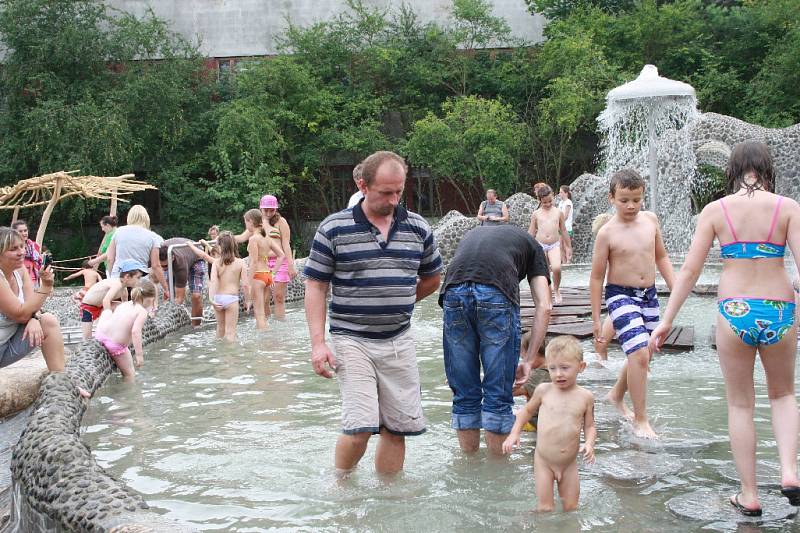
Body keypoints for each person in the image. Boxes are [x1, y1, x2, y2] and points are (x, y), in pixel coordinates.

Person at [649, 141, 800, 516]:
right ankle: (789, 471)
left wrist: (666, 320)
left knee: (740, 403)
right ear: (767, 168)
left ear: (732, 170)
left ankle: (749, 495)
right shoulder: (788, 208)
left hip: (735, 309)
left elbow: (690, 271)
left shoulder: (716, 211)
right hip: (780, 308)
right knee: (782, 395)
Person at [304, 150, 442, 475]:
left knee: (398, 428)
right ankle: (340, 485)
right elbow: (316, 286)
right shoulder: (334, 228)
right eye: (386, 192)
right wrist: (317, 343)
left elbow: (432, 278)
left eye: (399, 191)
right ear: (363, 186)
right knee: (360, 426)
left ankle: (387, 502)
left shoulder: (418, 228)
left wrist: (401, 302)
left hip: (399, 340)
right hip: (351, 339)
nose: (395, 199)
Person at [440, 224, 551, 455]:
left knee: (465, 393)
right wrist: (529, 360)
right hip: (495, 291)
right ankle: (497, 475)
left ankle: (469, 469)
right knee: (498, 393)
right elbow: (545, 305)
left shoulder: (472, 233)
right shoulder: (534, 246)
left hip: (453, 291)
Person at [589, 169, 674, 439]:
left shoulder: (650, 221)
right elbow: (596, 277)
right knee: (638, 353)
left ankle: (615, 395)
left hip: (648, 294)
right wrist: (595, 319)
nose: (631, 206)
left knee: (644, 353)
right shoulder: (607, 233)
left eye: (636, 200)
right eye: (624, 200)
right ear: (611, 198)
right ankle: (641, 419)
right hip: (620, 294)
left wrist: (677, 288)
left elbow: (661, 257)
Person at [502, 335, 596, 512]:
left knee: (571, 508)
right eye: (552, 368)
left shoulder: (585, 397)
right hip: (544, 462)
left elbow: (589, 426)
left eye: (565, 368)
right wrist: (514, 433)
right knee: (545, 508)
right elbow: (526, 412)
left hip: (569, 465)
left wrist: (590, 444)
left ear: (581, 367)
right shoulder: (543, 390)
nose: (558, 373)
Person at [0, 227, 89, 397]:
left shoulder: (21, 272)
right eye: (13, 249)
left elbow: (31, 306)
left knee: (47, 320)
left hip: (7, 347)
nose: (21, 252)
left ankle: (62, 383)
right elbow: (20, 314)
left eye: (22, 246)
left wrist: (34, 317)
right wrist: (46, 286)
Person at [94, 279, 156, 380]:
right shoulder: (142, 312)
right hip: (114, 345)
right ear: (150, 299)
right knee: (130, 374)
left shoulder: (124, 304)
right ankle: (129, 392)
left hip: (101, 334)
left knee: (107, 313)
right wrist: (139, 355)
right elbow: (135, 332)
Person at [106, 205, 168, 298]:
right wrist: (166, 288)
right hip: (140, 278)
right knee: (141, 309)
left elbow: (110, 258)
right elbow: (156, 266)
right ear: (146, 218)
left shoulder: (118, 232)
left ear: (129, 217)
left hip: (119, 277)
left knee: (119, 308)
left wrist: (112, 276)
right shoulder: (152, 237)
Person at [79, 259, 147, 339]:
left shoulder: (124, 290)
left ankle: (120, 328)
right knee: (87, 337)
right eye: (138, 278)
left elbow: (126, 307)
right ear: (127, 277)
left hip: (100, 306)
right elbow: (106, 300)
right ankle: (108, 327)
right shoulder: (118, 284)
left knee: (123, 306)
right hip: (88, 307)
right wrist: (108, 320)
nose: (139, 281)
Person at [528, 185, 572, 305]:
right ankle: (548, 294)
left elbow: (563, 230)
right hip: (540, 244)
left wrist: (568, 247)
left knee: (557, 268)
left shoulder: (558, 212)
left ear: (553, 197)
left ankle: (556, 290)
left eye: (550, 201)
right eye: (544, 202)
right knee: (544, 272)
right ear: (539, 200)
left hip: (554, 244)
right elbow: (531, 232)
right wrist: (526, 247)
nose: (547, 204)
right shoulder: (536, 214)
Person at [243, 209, 285, 330]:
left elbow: (254, 262)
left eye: (245, 222)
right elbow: (281, 255)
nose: (246, 225)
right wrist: (273, 273)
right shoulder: (267, 238)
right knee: (264, 314)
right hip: (267, 276)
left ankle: (265, 344)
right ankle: (267, 339)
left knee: (259, 315)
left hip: (258, 276)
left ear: (250, 221)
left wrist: (249, 284)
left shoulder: (253, 239)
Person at [209, 232, 250, 342]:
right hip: (231, 299)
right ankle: (230, 358)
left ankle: (219, 356)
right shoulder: (241, 263)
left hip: (218, 298)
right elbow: (245, 285)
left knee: (220, 330)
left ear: (219, 246)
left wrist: (211, 299)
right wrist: (248, 301)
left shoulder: (216, 263)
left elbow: (213, 281)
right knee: (231, 332)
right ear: (234, 245)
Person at [261, 195, 297, 320]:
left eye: (272, 210)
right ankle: (265, 326)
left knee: (279, 296)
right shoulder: (258, 222)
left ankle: (280, 324)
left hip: (280, 261)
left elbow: (286, 244)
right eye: (266, 210)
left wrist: (291, 266)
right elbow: (246, 237)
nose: (269, 213)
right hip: (263, 262)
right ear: (261, 208)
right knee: (263, 299)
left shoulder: (281, 222)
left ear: (276, 209)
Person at [159, 237, 209, 326]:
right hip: (180, 251)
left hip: (196, 257)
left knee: (196, 296)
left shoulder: (180, 265)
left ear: (172, 258)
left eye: (166, 266)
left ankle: (196, 326)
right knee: (168, 296)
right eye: (162, 266)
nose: (164, 269)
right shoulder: (156, 254)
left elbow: (179, 298)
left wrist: (170, 313)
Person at [590, 213, 616, 360]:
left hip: (641, 295)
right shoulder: (605, 247)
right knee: (600, 343)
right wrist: (596, 319)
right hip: (620, 298)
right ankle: (602, 375)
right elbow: (596, 278)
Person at [11, 220, 42, 287]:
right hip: (17, 279)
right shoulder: (10, 248)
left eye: (25, 231)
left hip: (34, 279)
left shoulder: (34, 246)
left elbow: (39, 263)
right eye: (20, 231)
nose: (24, 233)